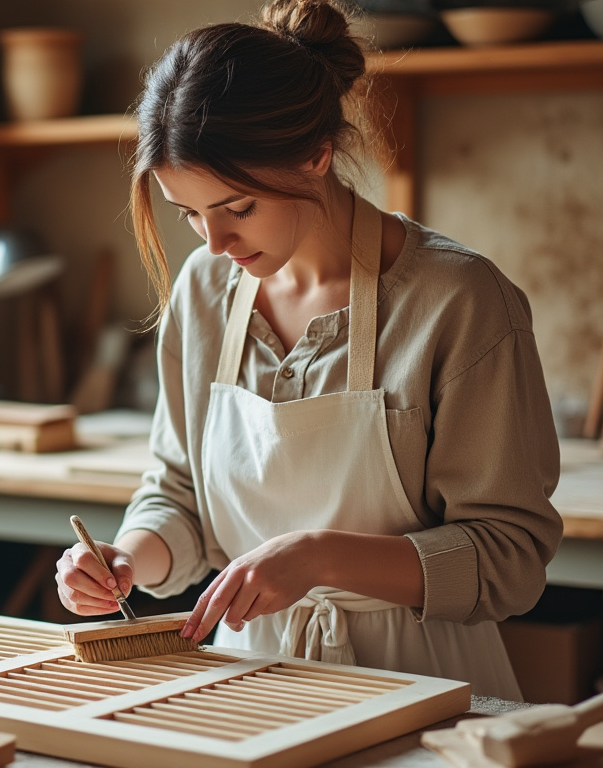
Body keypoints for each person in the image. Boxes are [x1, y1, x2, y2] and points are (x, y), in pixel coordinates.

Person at [54, 0, 562, 699]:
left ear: (315, 155)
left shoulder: (458, 301)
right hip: (249, 679)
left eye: (237, 208)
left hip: (420, 684)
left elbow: (510, 558)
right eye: (190, 215)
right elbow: (177, 494)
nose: (215, 245)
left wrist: (320, 557)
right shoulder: (205, 292)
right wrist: (127, 559)